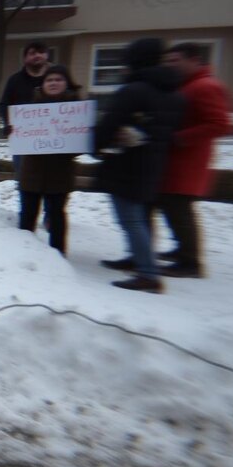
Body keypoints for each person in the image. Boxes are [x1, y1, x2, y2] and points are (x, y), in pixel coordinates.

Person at [96, 38, 184, 294]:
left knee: (131, 220)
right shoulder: (174, 93)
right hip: (154, 163)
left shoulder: (134, 90)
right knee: (141, 218)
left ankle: (147, 273)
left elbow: (110, 124)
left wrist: (97, 146)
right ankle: (137, 259)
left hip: (127, 164)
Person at [155, 42, 233, 278]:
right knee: (171, 207)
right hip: (176, 161)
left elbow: (220, 124)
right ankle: (182, 249)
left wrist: (180, 137)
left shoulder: (205, 86)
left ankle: (190, 262)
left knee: (180, 210)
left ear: (194, 60)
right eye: (168, 61)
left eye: (175, 61)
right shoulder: (188, 85)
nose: (170, 66)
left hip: (187, 162)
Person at [16, 65, 81, 255]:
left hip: (60, 171)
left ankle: (58, 253)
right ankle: (23, 253)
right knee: (28, 213)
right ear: (43, 84)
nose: (53, 83)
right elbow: (22, 135)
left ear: (67, 83)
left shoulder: (76, 109)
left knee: (56, 214)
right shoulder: (32, 107)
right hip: (33, 171)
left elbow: (81, 143)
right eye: (49, 80)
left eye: (58, 80)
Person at [0, 42, 51, 175]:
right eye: (32, 53)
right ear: (25, 58)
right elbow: (4, 104)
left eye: (41, 52)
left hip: (53, 143)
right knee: (25, 181)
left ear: (47, 55)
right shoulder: (15, 80)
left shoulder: (55, 79)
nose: (37, 56)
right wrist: (7, 124)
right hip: (23, 142)